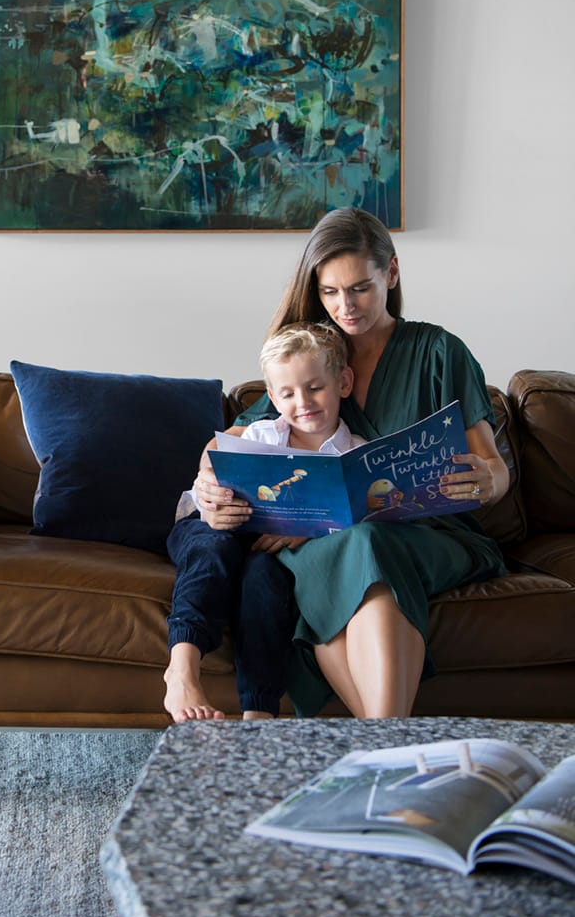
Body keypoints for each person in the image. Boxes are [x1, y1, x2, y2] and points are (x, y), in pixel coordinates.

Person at [193, 207, 509, 720]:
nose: (346, 306)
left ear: (392, 273)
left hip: (435, 534)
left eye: (360, 287)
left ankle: (380, 746)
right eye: (329, 292)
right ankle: (387, 746)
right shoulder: (313, 358)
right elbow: (222, 448)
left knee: (364, 544)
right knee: (359, 551)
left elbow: (495, 470)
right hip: (325, 542)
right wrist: (207, 485)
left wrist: (485, 479)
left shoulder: (439, 351)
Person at [163, 322, 363, 724]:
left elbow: (354, 519)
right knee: (215, 549)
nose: (303, 401)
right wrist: (214, 498)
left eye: (315, 387)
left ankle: (259, 710)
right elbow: (211, 483)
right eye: (287, 393)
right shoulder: (259, 435)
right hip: (211, 529)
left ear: (343, 382)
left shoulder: (354, 454)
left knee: (264, 579)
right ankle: (181, 668)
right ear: (272, 397)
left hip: (270, 548)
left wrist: (305, 530)